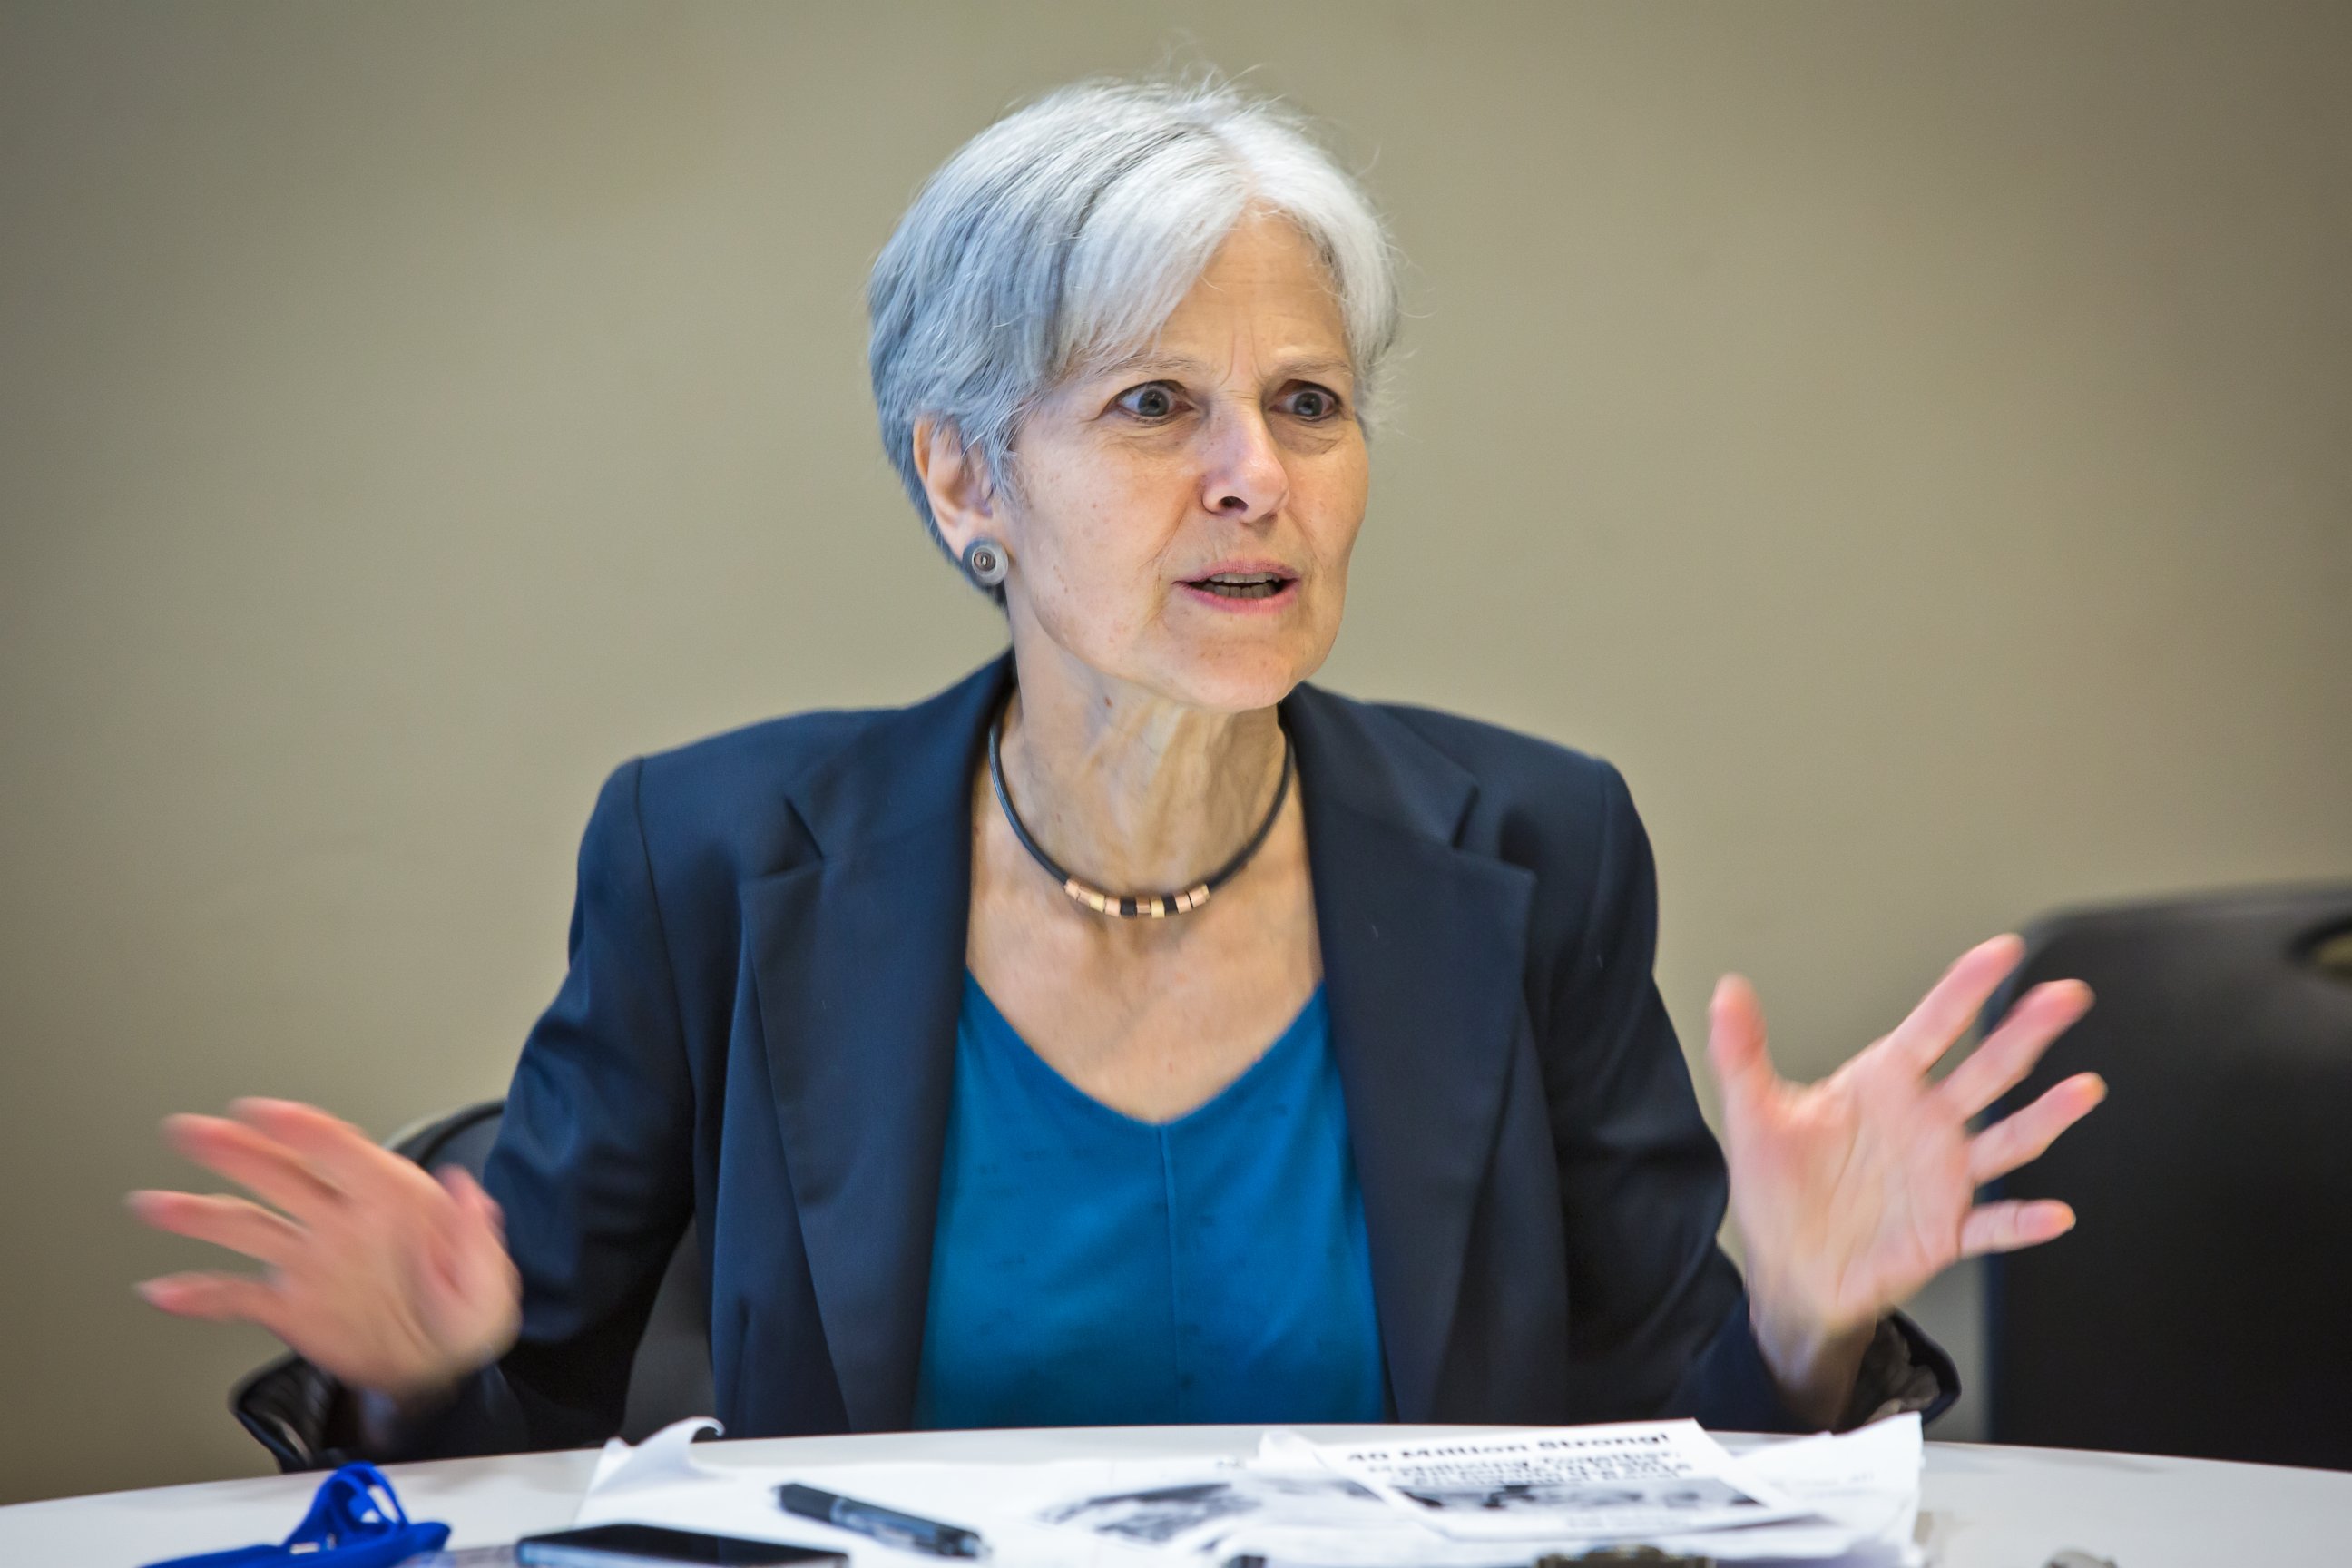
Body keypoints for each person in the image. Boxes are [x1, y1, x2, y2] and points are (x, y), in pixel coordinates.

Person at [129, 76, 2104, 1458]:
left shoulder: (1534, 846)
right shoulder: (713, 854)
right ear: (963, 472)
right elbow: (520, 1453)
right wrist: (418, 1378)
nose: (1258, 474)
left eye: (1308, 404)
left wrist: (1800, 1314)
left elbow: (1686, 1470)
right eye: (1158, 402)